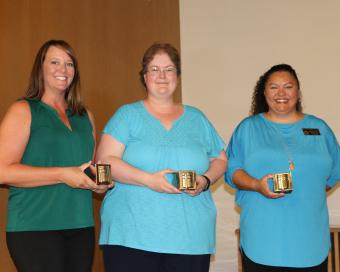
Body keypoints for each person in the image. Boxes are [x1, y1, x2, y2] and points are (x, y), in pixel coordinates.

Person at [96, 42, 227, 272]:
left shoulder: (197, 119)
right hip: (131, 236)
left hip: (191, 238)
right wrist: (148, 180)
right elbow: (104, 162)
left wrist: (205, 181)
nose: (162, 76)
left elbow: (220, 159)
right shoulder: (127, 115)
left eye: (169, 69)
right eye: (154, 69)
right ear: (144, 77)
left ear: (177, 75)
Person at [0, 39, 111, 272]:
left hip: (80, 226)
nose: (63, 69)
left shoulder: (84, 115)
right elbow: (2, 170)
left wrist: (98, 184)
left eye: (69, 64)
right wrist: (62, 174)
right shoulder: (23, 110)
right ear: (40, 68)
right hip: (34, 228)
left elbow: (87, 169)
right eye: (55, 62)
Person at [225, 64, 340, 271]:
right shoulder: (248, 128)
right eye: (273, 87)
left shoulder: (320, 128)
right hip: (262, 241)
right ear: (264, 92)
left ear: (298, 91)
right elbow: (232, 171)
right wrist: (256, 185)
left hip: (310, 241)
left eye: (288, 86)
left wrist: (308, 192)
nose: (281, 93)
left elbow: (335, 172)